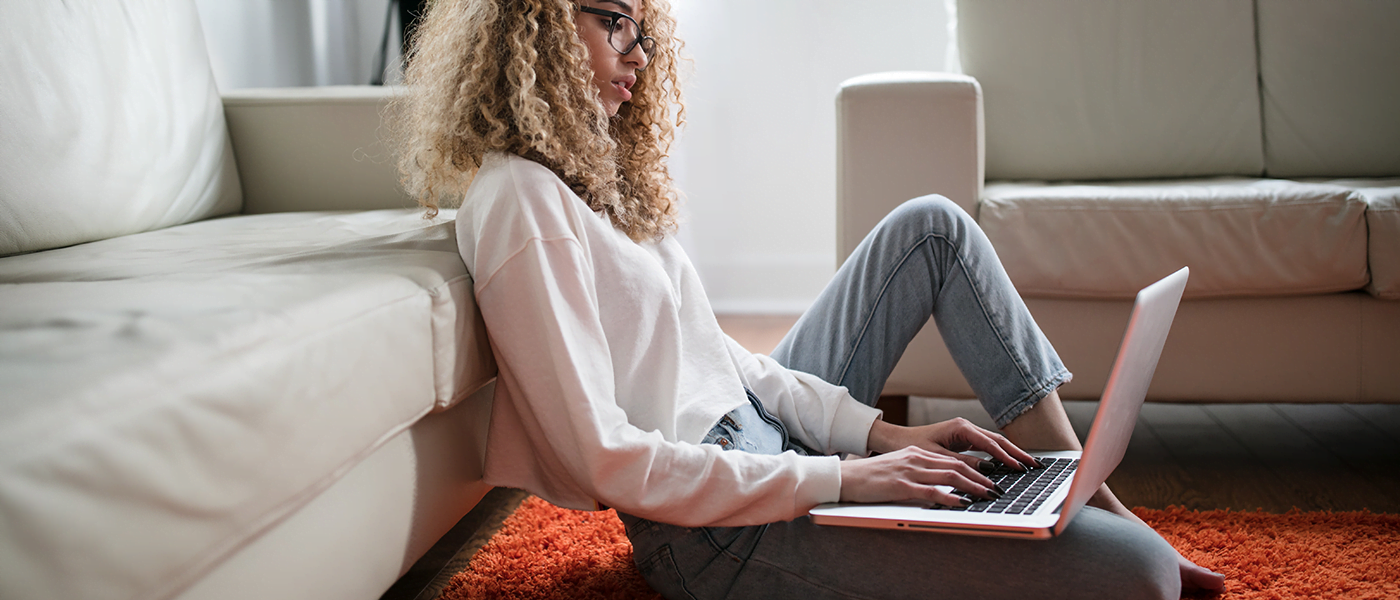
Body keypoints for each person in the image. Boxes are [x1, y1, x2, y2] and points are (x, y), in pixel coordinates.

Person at [391, 1, 1227, 598]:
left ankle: (1078, 484)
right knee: (1137, 577)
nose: (637, 55)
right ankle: (1090, 519)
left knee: (932, 227)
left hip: (766, 448)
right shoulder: (519, 201)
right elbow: (603, 458)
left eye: (641, 31)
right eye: (612, 19)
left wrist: (879, 437)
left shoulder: (594, 188)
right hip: (715, 532)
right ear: (528, 21)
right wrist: (845, 479)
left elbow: (727, 364)